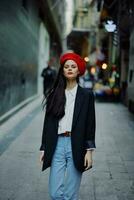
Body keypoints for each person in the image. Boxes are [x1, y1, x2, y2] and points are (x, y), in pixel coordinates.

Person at [39, 52, 96, 200]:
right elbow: (48, 123)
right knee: (54, 193)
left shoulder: (87, 95)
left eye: (73, 66)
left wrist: (89, 151)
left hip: (76, 145)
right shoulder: (54, 94)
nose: (69, 69)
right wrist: (44, 147)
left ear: (78, 71)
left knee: (71, 194)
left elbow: (90, 124)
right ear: (63, 71)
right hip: (57, 144)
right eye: (66, 67)